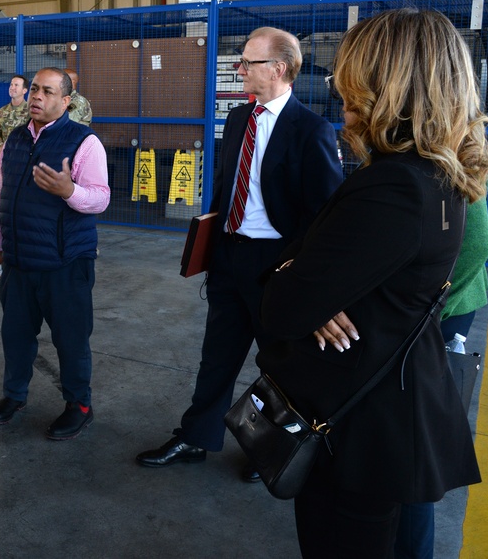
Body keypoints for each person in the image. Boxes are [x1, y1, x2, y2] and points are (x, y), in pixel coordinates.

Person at [257, 8, 488, 558]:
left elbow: (281, 306)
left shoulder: (392, 187)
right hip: (391, 414)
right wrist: (317, 286)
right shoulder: (436, 174)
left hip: (357, 426)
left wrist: (298, 280)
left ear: (389, 86)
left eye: (353, 78)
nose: (341, 90)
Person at [135, 27, 343, 476]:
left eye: (248, 61)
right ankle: (195, 437)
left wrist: (302, 275)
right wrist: (211, 244)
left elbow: (324, 213)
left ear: (280, 68)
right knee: (218, 356)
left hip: (277, 266)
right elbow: (227, 188)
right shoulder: (237, 120)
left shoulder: (311, 130)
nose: (239, 68)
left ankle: (265, 450)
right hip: (230, 259)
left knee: (280, 367)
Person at [0, 67, 111, 440]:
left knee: (71, 340)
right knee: (16, 334)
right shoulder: (15, 139)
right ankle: (14, 396)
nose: (37, 97)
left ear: (66, 101)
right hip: (19, 261)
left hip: (65, 263)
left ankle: (79, 405)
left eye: (49, 92)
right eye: (35, 90)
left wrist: (69, 191)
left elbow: (101, 198)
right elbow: (0, 196)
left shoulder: (84, 142)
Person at [394, 195, 488, 559]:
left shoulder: (452, 153)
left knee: (418, 438)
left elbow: (478, 244)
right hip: (428, 311)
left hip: (441, 312)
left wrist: (430, 309)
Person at [0, 74, 29, 155]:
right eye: (11, 85)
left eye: (16, 85)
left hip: (23, 159)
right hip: (5, 160)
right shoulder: (2, 111)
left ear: (24, 90)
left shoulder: (31, 112)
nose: (12, 87)